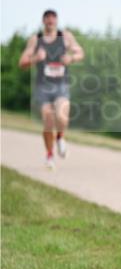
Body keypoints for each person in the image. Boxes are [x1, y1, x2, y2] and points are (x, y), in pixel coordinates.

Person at [18, 10, 85, 169]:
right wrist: (35, 58)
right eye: (47, 18)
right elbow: (22, 63)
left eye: (53, 18)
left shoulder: (66, 37)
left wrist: (72, 58)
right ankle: (49, 155)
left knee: (62, 117)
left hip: (61, 85)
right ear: (43, 21)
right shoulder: (36, 40)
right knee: (48, 122)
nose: (50, 21)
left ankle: (60, 137)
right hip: (43, 87)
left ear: (56, 21)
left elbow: (80, 52)